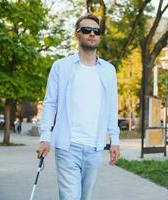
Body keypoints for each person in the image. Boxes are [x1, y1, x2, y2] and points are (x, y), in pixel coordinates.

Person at [36, 14, 120, 200]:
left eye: (96, 31)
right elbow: (50, 104)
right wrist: (45, 137)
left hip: (95, 147)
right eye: (86, 30)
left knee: (85, 197)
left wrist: (115, 140)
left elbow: (112, 106)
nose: (92, 34)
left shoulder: (108, 70)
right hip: (67, 146)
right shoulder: (61, 67)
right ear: (77, 35)